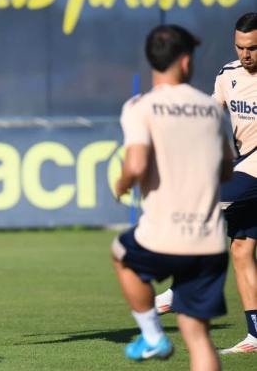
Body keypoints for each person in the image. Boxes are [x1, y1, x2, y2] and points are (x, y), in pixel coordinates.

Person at [112, 25, 233, 370]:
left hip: (162, 236)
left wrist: (121, 184)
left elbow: (135, 165)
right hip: (208, 241)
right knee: (198, 337)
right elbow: (225, 171)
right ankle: (155, 337)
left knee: (121, 255)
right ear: (185, 62)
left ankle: (152, 335)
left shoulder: (141, 106)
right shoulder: (210, 109)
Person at [154, 12, 257, 354]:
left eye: (254, 48)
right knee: (241, 249)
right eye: (241, 47)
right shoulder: (229, 76)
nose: (247, 55)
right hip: (245, 165)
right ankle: (256, 336)